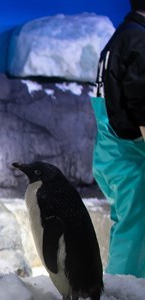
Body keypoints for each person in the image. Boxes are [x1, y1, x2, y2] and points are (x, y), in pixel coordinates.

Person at [91, 0, 145, 278]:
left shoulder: (122, 36)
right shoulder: (138, 38)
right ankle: (127, 298)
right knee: (135, 224)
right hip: (130, 155)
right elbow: (140, 105)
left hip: (112, 151)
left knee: (128, 221)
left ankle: (121, 290)